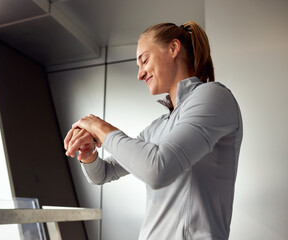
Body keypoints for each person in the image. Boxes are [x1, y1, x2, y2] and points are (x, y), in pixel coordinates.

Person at [64, 21, 243, 240]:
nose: (140, 74)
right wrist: (89, 153)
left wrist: (99, 127)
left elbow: (158, 169)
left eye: (144, 60)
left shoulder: (214, 96)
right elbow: (103, 173)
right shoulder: (159, 126)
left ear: (173, 48)